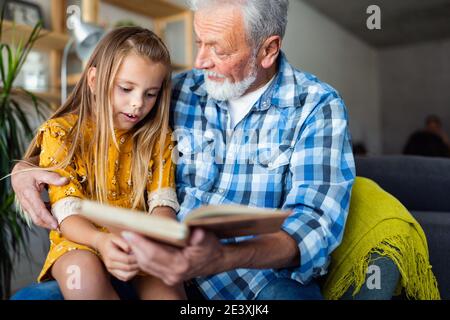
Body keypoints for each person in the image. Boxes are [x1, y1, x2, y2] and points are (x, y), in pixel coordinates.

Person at [11, 0, 355, 300]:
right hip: (152, 263)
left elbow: (314, 226)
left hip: (255, 278)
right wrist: (23, 167)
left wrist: (224, 257)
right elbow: (92, 131)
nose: (200, 61)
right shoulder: (171, 91)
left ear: (268, 50)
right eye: (197, 42)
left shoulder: (316, 107)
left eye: (218, 49)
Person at [12, 27, 184, 299]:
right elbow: (68, 214)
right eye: (126, 89)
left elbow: (162, 203)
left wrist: (156, 238)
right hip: (80, 241)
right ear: (94, 79)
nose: (137, 104)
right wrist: (101, 240)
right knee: (82, 275)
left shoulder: (158, 138)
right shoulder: (61, 133)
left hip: (138, 240)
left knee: (168, 288)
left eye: (150, 94)